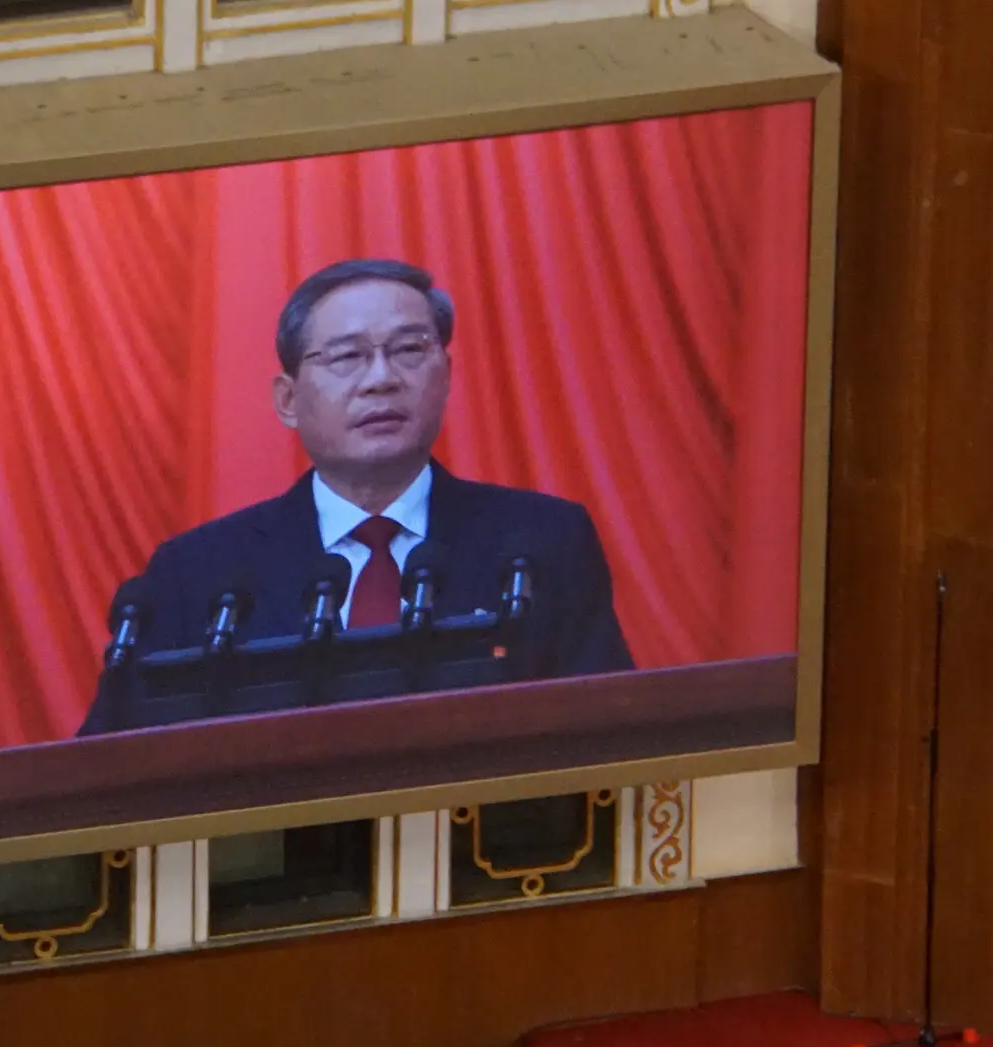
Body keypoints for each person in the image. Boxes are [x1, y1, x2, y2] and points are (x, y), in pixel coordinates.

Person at [79, 259, 633, 735]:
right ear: (289, 400)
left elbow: (608, 729)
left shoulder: (544, 541)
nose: (381, 379)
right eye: (346, 357)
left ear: (446, 375)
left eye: (409, 350)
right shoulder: (199, 572)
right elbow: (111, 761)